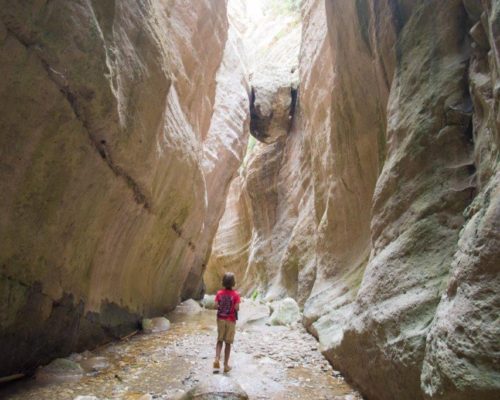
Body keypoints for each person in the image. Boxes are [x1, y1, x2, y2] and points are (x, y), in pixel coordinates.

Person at [213, 272, 240, 373]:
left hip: (220, 319)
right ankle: (225, 365)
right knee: (228, 343)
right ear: (233, 283)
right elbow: (237, 308)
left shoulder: (219, 293)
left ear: (223, 282)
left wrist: (221, 306)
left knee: (219, 340)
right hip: (231, 320)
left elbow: (215, 306)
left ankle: (216, 359)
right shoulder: (236, 295)